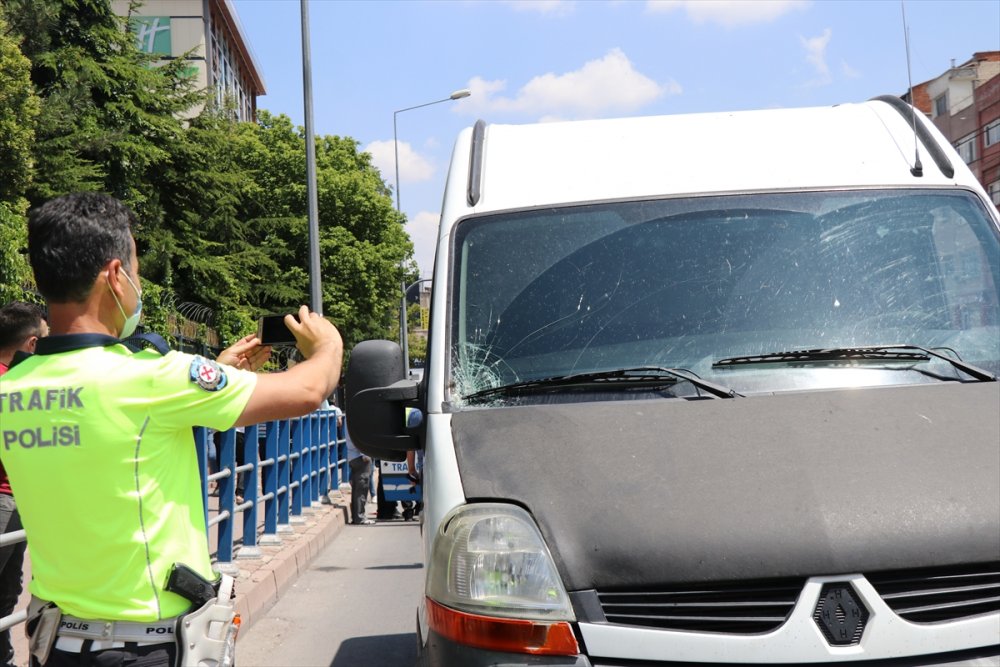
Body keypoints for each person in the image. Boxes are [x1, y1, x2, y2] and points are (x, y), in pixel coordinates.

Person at [0, 192, 343, 667]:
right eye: (136, 271)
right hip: (146, 647)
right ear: (116, 276)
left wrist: (215, 371)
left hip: (56, 643)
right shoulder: (154, 377)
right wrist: (328, 347)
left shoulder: (12, 387)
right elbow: (307, 392)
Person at [0, 301, 47, 667]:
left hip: (15, 499)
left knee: (6, 593)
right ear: (31, 344)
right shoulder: (13, 386)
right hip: (6, 499)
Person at [344, 418, 373, 525]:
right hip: (360, 456)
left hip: (353, 455)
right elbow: (360, 436)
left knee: (357, 488)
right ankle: (360, 517)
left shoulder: (350, 415)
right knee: (361, 488)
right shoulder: (358, 416)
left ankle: (357, 516)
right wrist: (365, 453)